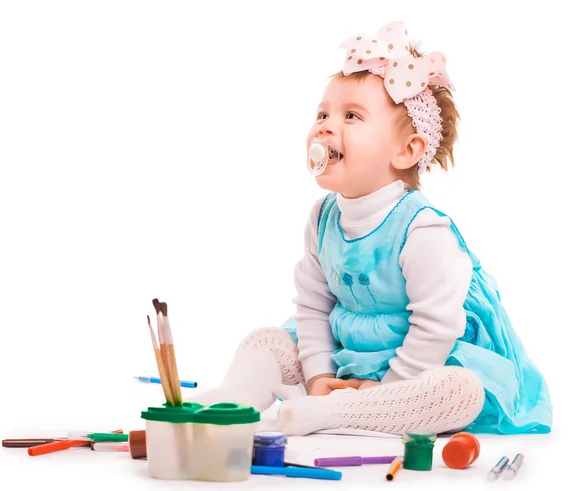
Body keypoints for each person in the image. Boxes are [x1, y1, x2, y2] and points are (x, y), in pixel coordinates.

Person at [187, 20, 553, 437]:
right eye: (322, 113)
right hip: (346, 354)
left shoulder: (423, 231)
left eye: (351, 116)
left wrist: (388, 387)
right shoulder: (322, 218)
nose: (325, 126)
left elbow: (436, 328)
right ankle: (232, 399)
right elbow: (311, 306)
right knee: (266, 341)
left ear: (406, 150)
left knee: (460, 391)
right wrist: (318, 375)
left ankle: (345, 414)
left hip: (417, 361)